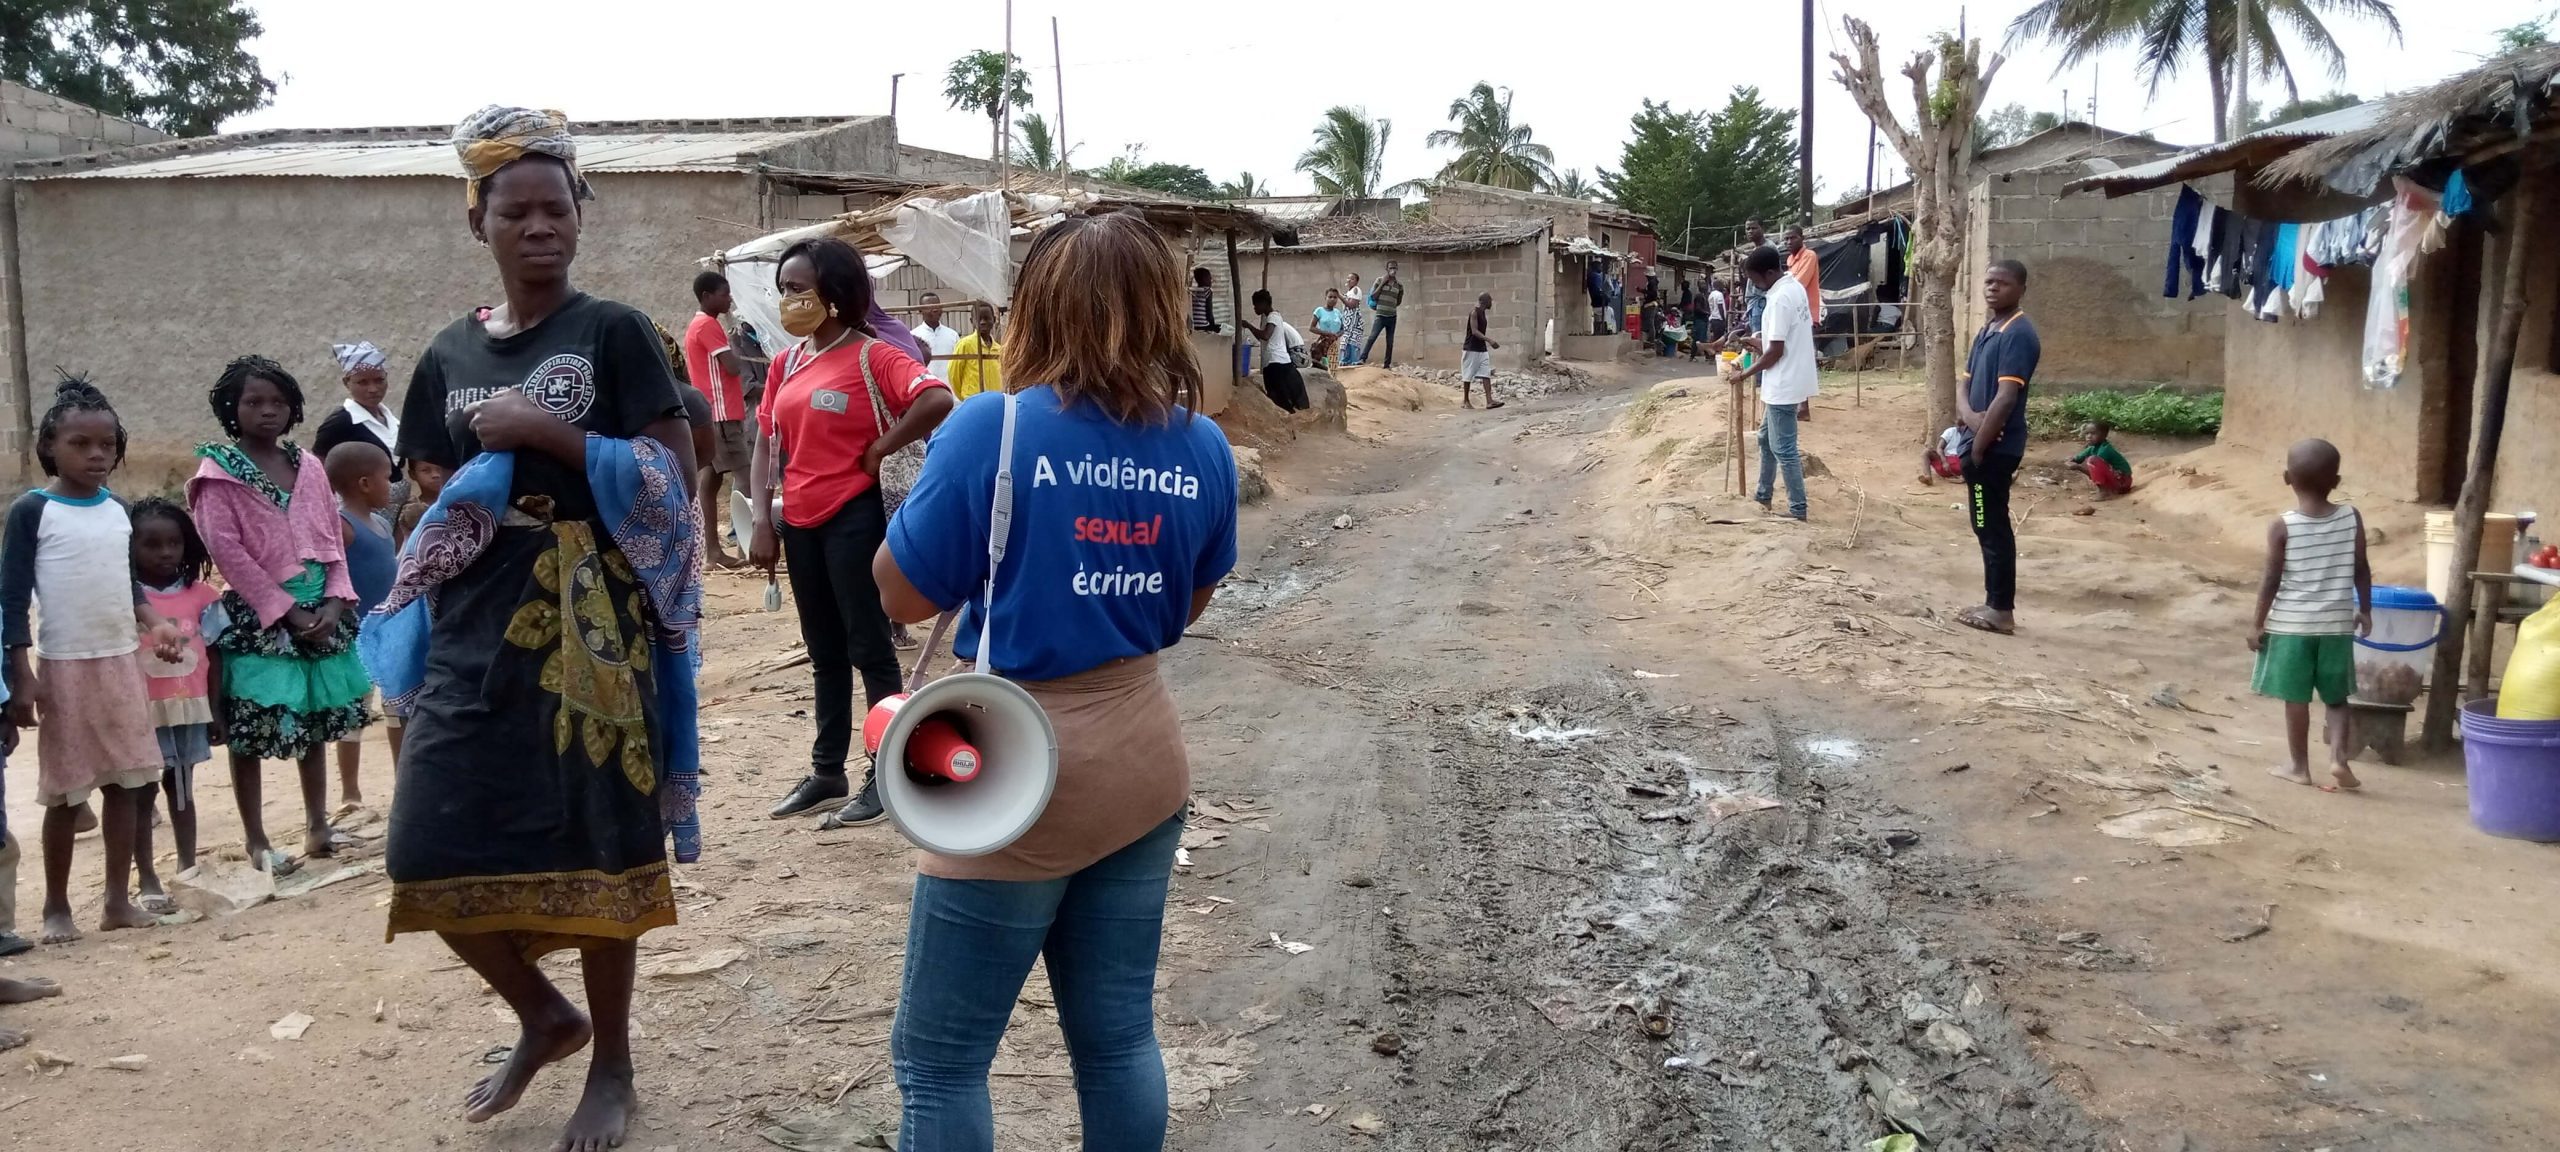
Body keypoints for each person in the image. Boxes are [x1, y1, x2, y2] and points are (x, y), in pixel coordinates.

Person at [873, 208, 1238, 1152]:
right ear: (1161, 310)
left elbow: (903, 597)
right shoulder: (1202, 447)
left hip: (1008, 765)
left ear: (1034, 309)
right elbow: (1187, 604)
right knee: (1116, 1039)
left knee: (941, 1060)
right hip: (1143, 755)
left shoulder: (992, 427)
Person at [378, 106, 704, 1152]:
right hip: (474, 623)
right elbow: (425, 489)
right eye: (512, 210)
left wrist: (543, 434)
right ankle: (542, 1016)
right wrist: (439, 499)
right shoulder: (445, 352)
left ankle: (610, 1063)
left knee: (601, 838)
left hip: (591, 621)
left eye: (554, 208)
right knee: (422, 843)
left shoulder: (615, 333)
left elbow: (671, 482)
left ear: (578, 218)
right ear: (478, 221)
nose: (536, 227)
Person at [750, 236, 956, 826]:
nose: (787, 300)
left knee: (869, 646)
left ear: (835, 295)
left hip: (853, 516)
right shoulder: (785, 364)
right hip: (800, 519)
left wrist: (880, 449)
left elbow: (936, 398)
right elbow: (768, 441)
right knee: (823, 649)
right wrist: (763, 518)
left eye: (798, 289)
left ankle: (881, 771)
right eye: (783, 289)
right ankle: (826, 770)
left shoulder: (873, 357)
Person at [1, 379, 185, 942]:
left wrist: (156, 624)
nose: (97, 455)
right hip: (65, 668)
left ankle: (115, 900)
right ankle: (56, 906)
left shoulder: (118, 510)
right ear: (51, 446)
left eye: (107, 444)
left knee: (129, 785)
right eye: (81, 444)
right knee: (67, 789)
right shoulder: (32, 511)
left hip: (121, 663)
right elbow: (11, 598)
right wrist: (21, 673)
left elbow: (126, 586)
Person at [191, 356, 369, 875]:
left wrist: (336, 600)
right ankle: (256, 841)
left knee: (312, 719)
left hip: (322, 607)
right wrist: (286, 610)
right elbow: (228, 554)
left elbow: (331, 538)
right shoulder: (216, 474)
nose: (267, 411)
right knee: (252, 724)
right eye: (253, 402)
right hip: (261, 617)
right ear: (231, 408)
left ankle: (318, 825)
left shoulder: (308, 465)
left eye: (278, 402)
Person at [2250, 438, 2371, 793]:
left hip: (2292, 627)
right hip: (2335, 626)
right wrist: (2365, 609)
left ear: (2287, 477)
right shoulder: (2352, 516)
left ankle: (2299, 766)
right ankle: (2338, 759)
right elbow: (2361, 568)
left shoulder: (2282, 526)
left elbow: (2271, 579)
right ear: (2336, 481)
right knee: (2336, 699)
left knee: (2296, 698)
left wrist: (2257, 623)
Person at [129, 497, 221, 906]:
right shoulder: (127, 600)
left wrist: (217, 710)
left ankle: (187, 867)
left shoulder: (202, 595)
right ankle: (147, 878)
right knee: (141, 795)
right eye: (151, 544)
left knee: (182, 788)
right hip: (142, 712)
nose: (166, 552)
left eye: (174, 542)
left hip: (189, 707)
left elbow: (215, 655)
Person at [1955, 260, 2040, 634]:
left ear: (2021, 288)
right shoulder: (1988, 329)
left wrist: (1978, 446)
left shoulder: (2018, 334)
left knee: (1992, 526)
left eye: (2002, 283)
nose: (1992, 288)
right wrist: (1973, 422)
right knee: (1983, 523)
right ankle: (1994, 601)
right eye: (1988, 282)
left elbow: (2006, 399)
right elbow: (1963, 386)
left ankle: (2001, 609)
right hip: (1977, 441)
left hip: (1994, 450)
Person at [326, 441, 398, 805]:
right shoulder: (344, 526)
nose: (393, 484)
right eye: (388, 478)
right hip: (356, 633)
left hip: (388, 630)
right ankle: (350, 793)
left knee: (397, 706)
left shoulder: (383, 524)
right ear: (365, 483)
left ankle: (405, 783)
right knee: (354, 711)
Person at [1728, 247, 1816, 522]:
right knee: (1766, 439)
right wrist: (1753, 341)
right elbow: (1780, 340)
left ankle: (1797, 509)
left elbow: (1775, 352)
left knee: (1785, 449)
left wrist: (1744, 374)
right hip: (1792, 376)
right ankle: (1763, 495)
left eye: (1754, 279)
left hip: (1784, 382)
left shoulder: (1778, 299)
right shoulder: (1794, 287)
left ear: (1768, 273)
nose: (1753, 285)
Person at [683, 271, 751, 569]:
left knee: (710, 483)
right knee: (749, 476)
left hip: (712, 413)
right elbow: (733, 367)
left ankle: (712, 552)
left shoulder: (701, 324)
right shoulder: (708, 326)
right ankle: (750, 545)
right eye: (724, 294)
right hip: (721, 414)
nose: (729, 298)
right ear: (707, 296)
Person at [311, 342, 405, 486]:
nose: (373, 389)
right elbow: (319, 472)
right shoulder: (339, 423)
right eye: (362, 382)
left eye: (379, 380)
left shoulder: (391, 421)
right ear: (346, 383)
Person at [1239, 289, 1309, 412]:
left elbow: (1265, 336)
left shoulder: (1273, 317)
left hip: (1276, 362)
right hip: (1276, 361)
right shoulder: (1268, 319)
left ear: (1264, 303)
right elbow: (1263, 339)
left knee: (1279, 397)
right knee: (1279, 396)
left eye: (1256, 305)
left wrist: (1249, 326)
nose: (1255, 309)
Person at [950, 303, 1004, 400]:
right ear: (972, 321)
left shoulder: (999, 349)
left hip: (995, 400)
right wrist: (965, 397)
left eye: (987, 318)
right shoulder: (965, 345)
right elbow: (954, 375)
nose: (983, 322)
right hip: (973, 400)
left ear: (994, 320)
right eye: (979, 319)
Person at [1461, 292, 1504, 410]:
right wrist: (1489, 340)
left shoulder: (1483, 313)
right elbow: (1474, 331)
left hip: (1481, 349)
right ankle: (1465, 400)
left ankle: (1489, 401)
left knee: (1485, 373)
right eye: (1490, 300)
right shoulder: (1474, 313)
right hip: (1471, 348)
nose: (1492, 303)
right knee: (1468, 374)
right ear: (1485, 301)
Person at [2070, 421, 2134, 498]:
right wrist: (2070, 461)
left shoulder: (2105, 449)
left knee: (2092, 460)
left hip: (2123, 482)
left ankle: (2104, 491)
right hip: (2116, 480)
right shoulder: (2092, 448)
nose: (2089, 436)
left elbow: (2094, 472)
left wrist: (2078, 467)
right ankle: (2105, 490)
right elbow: (2077, 459)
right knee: (2092, 460)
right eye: (2087, 433)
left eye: (2093, 433)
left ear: (2104, 435)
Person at [1368, 261, 1405, 366]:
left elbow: (1398, 301)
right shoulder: (1379, 280)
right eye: (1391, 268)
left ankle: (1387, 365)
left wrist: (1390, 306)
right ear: (1387, 269)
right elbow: (1373, 296)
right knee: (1372, 337)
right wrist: (1383, 283)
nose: (1393, 270)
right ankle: (1362, 358)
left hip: (1392, 316)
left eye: (1395, 268)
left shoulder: (1399, 285)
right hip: (1380, 315)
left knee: (1390, 341)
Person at [911, 291, 962, 365]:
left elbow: (959, 363)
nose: (935, 310)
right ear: (920, 310)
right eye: (929, 307)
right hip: (925, 376)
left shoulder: (953, 335)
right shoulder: (913, 336)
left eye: (937, 306)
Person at [1310, 288, 1345, 368]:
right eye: (1330, 297)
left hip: (1333, 343)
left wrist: (1337, 335)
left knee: (1332, 368)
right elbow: (1311, 328)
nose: (1332, 299)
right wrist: (1327, 333)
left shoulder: (1337, 312)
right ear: (1325, 297)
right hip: (1322, 343)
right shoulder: (1319, 311)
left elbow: (1343, 329)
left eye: (1335, 297)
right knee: (1322, 366)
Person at [1339, 272, 1368, 364]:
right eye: (1348, 278)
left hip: (1354, 321)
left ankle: (1354, 361)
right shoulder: (1350, 292)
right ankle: (1345, 361)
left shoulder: (1356, 290)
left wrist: (1340, 296)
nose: (1349, 280)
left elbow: (1352, 305)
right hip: (1348, 321)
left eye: (1352, 279)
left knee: (1353, 341)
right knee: (1346, 340)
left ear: (1356, 281)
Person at [1188, 267, 1220, 333]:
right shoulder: (1207, 291)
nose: (1211, 279)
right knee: (1223, 328)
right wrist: (1212, 326)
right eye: (1209, 277)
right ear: (1205, 279)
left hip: (1192, 324)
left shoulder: (1193, 291)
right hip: (1203, 325)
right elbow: (1209, 311)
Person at [1586, 261, 1610, 334]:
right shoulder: (1595, 276)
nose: (1601, 268)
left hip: (1596, 302)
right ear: (1596, 267)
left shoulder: (1592, 275)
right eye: (1600, 266)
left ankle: (1598, 333)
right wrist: (1605, 297)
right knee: (1601, 321)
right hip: (1599, 302)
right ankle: (1600, 333)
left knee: (1598, 320)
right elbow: (1598, 290)